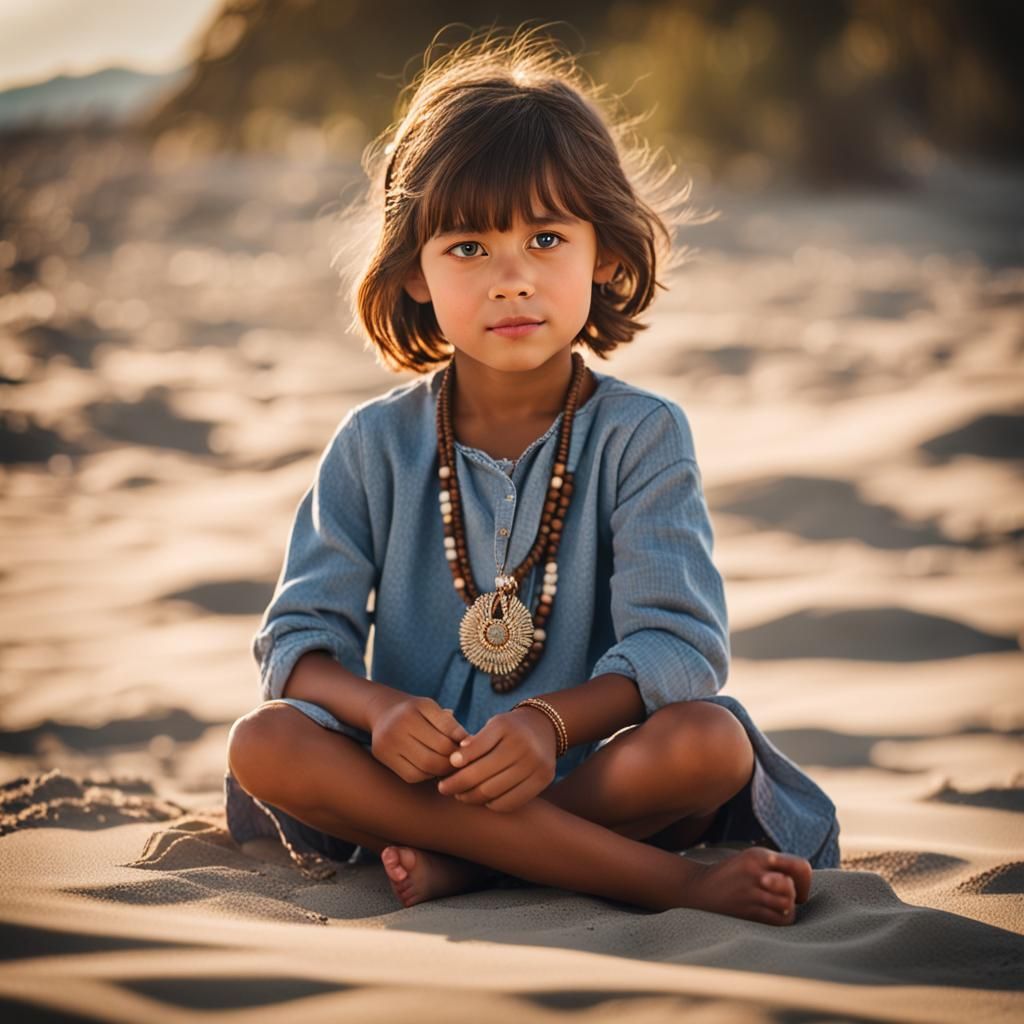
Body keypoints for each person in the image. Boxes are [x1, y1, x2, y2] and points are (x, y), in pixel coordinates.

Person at [224, 23, 840, 924]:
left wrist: (550, 725)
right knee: (266, 742)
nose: (511, 280)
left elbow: (680, 648)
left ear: (607, 254)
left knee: (709, 743)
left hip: (593, 774)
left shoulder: (642, 435)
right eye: (468, 248)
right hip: (402, 778)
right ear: (415, 275)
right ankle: (660, 882)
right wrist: (384, 710)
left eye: (546, 239)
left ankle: (468, 862)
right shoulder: (372, 445)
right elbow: (296, 642)